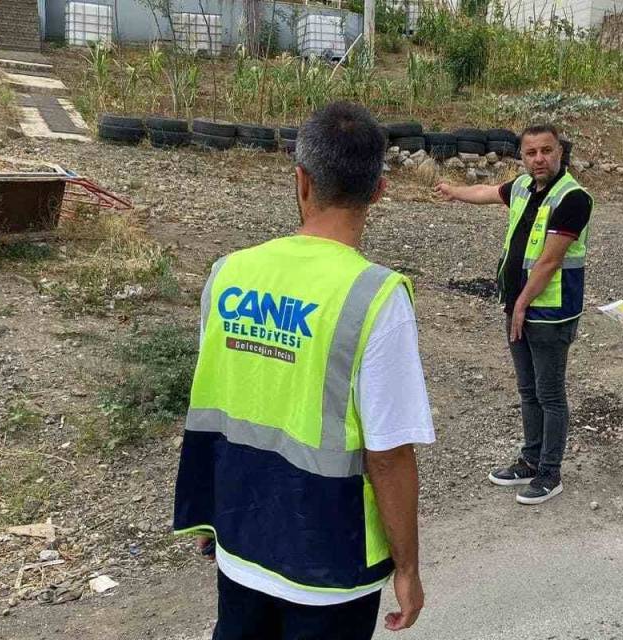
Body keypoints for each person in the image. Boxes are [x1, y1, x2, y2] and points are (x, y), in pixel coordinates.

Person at [173, 102, 434, 639]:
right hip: (329, 561)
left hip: (240, 535)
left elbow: (216, 405)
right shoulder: (375, 297)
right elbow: (389, 455)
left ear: (301, 181)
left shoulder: (228, 274)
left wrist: (212, 513)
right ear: (378, 191)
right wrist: (407, 570)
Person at [434, 124, 592, 505]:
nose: (538, 159)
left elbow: (551, 260)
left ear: (560, 153)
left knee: (550, 393)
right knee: (527, 390)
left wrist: (521, 305)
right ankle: (529, 458)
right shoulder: (523, 187)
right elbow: (488, 192)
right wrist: (454, 192)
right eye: (531, 152)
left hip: (550, 311)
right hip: (517, 305)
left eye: (546, 151)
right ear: (522, 157)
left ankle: (549, 472)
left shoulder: (573, 198)